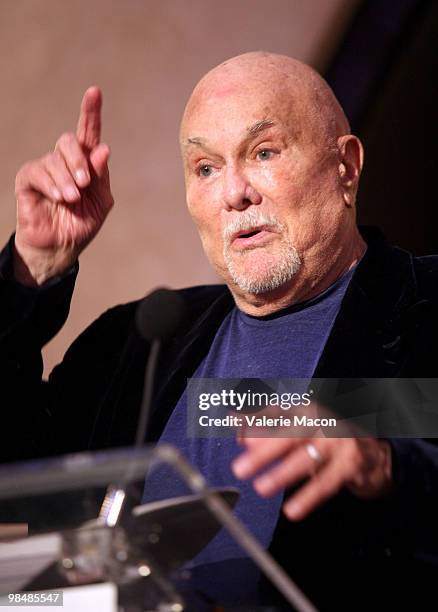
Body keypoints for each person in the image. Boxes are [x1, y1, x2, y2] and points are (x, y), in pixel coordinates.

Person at [1, 51, 438, 609]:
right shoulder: (137, 343)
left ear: (345, 168)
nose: (235, 193)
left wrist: (386, 466)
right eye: (206, 168)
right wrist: (31, 271)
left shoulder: (427, 310)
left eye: (263, 153)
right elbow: (14, 475)